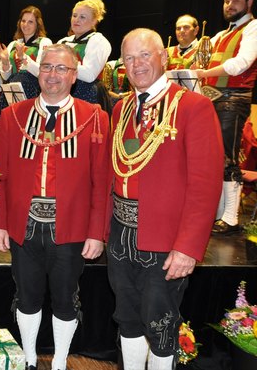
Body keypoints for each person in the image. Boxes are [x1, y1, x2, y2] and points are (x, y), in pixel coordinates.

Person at [0, 44, 110, 370]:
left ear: (74, 76)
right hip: (22, 226)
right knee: (25, 296)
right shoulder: (13, 115)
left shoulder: (95, 118)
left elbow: (102, 182)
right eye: (47, 67)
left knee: (66, 299)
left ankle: (59, 361)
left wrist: (97, 232)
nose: (52, 75)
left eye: (61, 69)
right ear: (38, 72)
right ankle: (28, 358)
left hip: (71, 228)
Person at [110, 28, 223, 370]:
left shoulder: (193, 106)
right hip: (121, 236)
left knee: (160, 324)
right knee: (127, 318)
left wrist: (188, 247)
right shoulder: (122, 109)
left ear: (164, 57)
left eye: (145, 55)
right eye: (129, 58)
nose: (137, 64)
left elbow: (205, 185)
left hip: (165, 241)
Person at [194, 0, 257, 234]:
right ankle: (220, 213)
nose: (230, 5)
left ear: (249, 3)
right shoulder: (221, 35)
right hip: (212, 99)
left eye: (236, 1)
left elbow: (241, 64)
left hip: (234, 98)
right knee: (213, 159)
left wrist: (203, 71)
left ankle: (230, 218)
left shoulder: (253, 28)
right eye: (227, 1)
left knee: (227, 157)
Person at [58, 0, 112, 107]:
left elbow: (89, 75)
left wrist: (63, 64)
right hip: (63, 93)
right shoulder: (63, 41)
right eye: (74, 15)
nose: (76, 20)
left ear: (94, 21)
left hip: (88, 94)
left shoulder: (98, 40)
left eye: (82, 17)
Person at [0, 5, 52, 101]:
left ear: (38, 25)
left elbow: (42, 72)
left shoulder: (44, 42)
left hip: (32, 91)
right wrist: (5, 61)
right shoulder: (13, 44)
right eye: (23, 21)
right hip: (12, 91)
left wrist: (24, 58)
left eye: (30, 22)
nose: (25, 24)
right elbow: (6, 77)